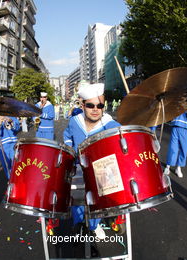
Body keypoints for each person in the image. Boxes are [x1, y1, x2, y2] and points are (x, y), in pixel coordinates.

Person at [63, 83, 120, 239]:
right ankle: (78, 224)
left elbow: (124, 137)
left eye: (100, 105)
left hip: (101, 171)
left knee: (97, 202)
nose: (95, 109)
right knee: (77, 198)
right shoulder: (74, 121)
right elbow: (67, 136)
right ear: (83, 106)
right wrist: (70, 151)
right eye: (90, 105)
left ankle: (95, 226)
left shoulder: (110, 123)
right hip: (78, 167)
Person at [163, 104, 187, 178]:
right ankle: (168, 167)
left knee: (183, 149)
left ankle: (178, 168)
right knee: (172, 148)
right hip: (175, 126)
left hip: (186, 128)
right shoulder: (177, 101)